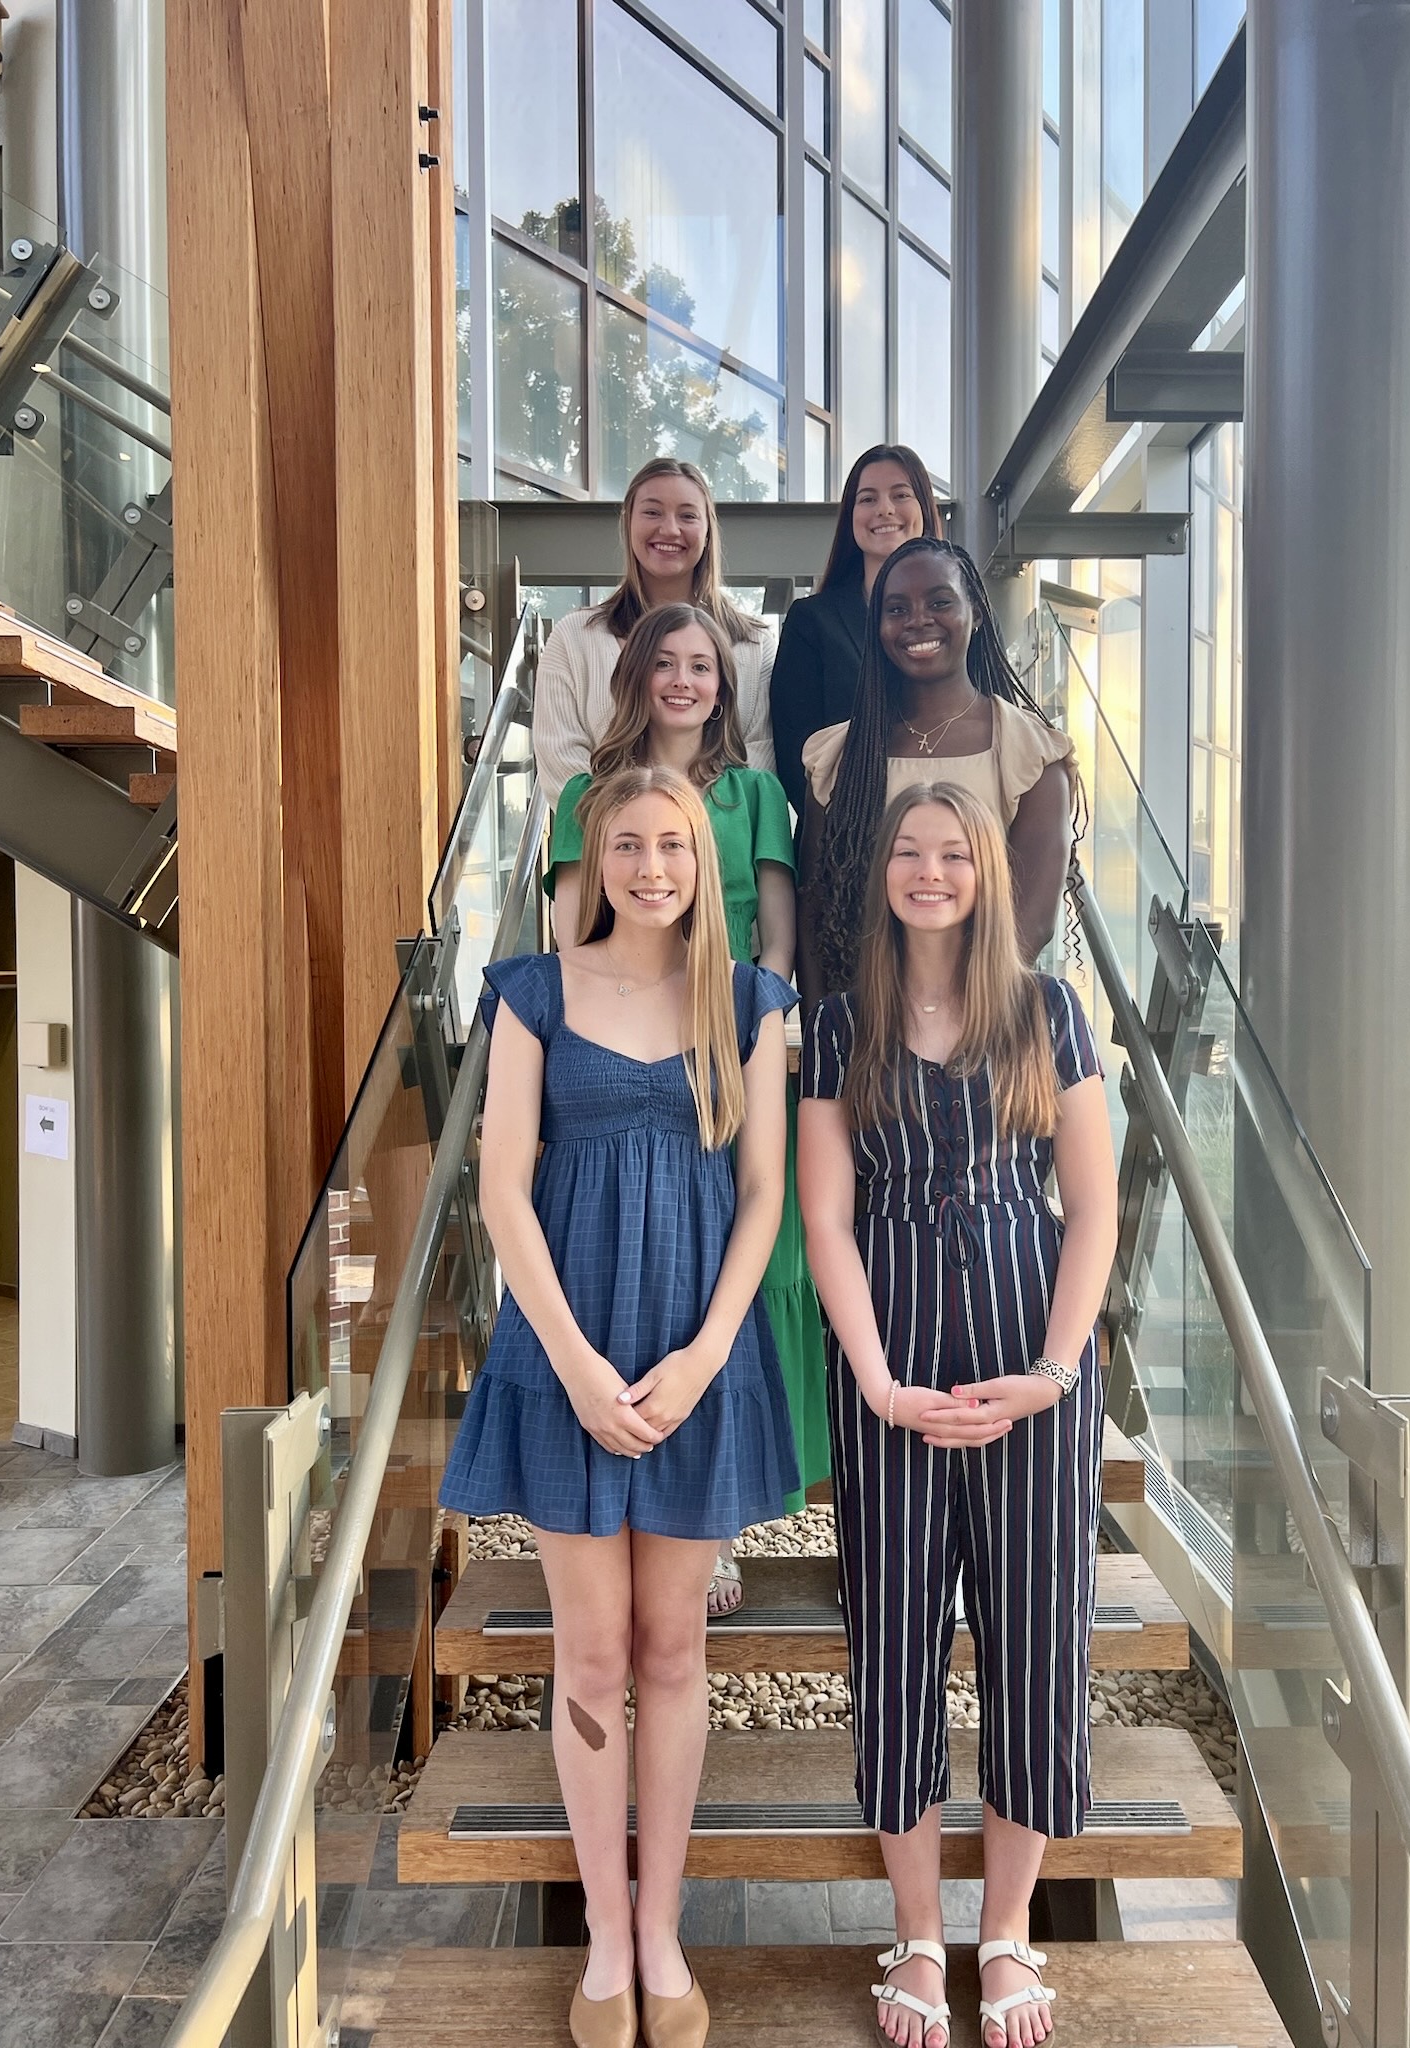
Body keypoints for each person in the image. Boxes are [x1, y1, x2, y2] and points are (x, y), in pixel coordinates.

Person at [440, 765, 799, 2048]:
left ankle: (662, 1926)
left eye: (676, 845)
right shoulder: (533, 992)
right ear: (593, 856)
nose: (653, 866)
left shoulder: (753, 1001)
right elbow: (500, 1193)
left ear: (706, 859)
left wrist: (707, 1354)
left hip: (694, 1361)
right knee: (589, 1654)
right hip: (566, 1359)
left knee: (673, 1651)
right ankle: (603, 1930)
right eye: (630, 844)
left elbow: (764, 1194)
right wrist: (578, 1363)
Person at [797, 783, 1117, 2048]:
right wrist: (872, 1374)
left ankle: (1008, 1929)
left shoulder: (1048, 1011)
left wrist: (1052, 1368)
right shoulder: (838, 1023)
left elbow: (1090, 1202)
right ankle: (922, 1933)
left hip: (1031, 1372)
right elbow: (825, 1213)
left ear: (986, 872)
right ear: (880, 873)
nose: (929, 873)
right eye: (908, 854)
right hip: (893, 1373)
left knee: (1038, 1645)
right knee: (894, 1648)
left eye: (954, 854)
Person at [546, 604, 832, 1612]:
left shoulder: (753, 792)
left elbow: (779, 930)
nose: (682, 679)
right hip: (620, 1049)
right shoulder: (586, 792)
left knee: (749, 1262)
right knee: (633, 1267)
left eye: (701, 663)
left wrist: (754, 1017)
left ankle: (712, 1518)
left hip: (734, 1044)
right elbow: (570, 925)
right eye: (662, 661)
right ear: (633, 675)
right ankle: (614, 1499)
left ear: (724, 683)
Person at [796, 538, 1079, 1007]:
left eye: (940, 601)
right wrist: (827, 1027)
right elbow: (814, 906)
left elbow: (1034, 921)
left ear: (978, 613)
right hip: (864, 1026)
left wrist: (942, 1018)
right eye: (897, 609)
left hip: (985, 1024)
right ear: (877, 626)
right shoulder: (839, 757)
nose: (918, 620)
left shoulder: (1029, 752)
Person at [532, 457, 775, 805]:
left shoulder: (755, 646)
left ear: (707, 532)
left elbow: (759, 763)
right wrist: (638, 835)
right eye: (652, 512)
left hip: (724, 852)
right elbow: (563, 770)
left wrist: (689, 842)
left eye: (688, 515)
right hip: (607, 852)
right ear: (628, 523)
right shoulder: (575, 638)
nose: (670, 529)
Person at [768, 443, 944, 813]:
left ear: (924, 510)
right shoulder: (811, 623)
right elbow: (795, 759)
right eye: (867, 499)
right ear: (850, 516)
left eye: (901, 494)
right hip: (842, 842)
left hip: (948, 839)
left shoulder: (962, 618)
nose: (885, 509)